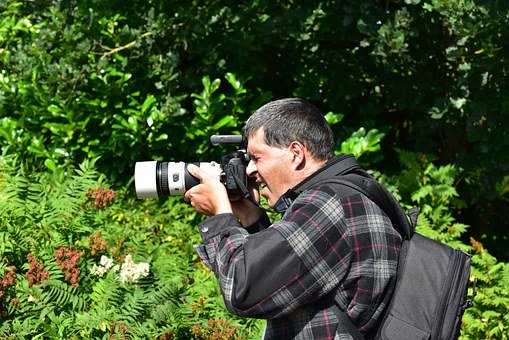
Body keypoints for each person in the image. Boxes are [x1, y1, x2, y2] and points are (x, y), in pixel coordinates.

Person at [184, 98, 402, 339]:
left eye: (257, 158)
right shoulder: (344, 195)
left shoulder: (326, 204)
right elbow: (280, 279)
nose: (249, 171)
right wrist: (250, 217)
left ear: (296, 153)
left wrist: (221, 216)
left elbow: (244, 290)